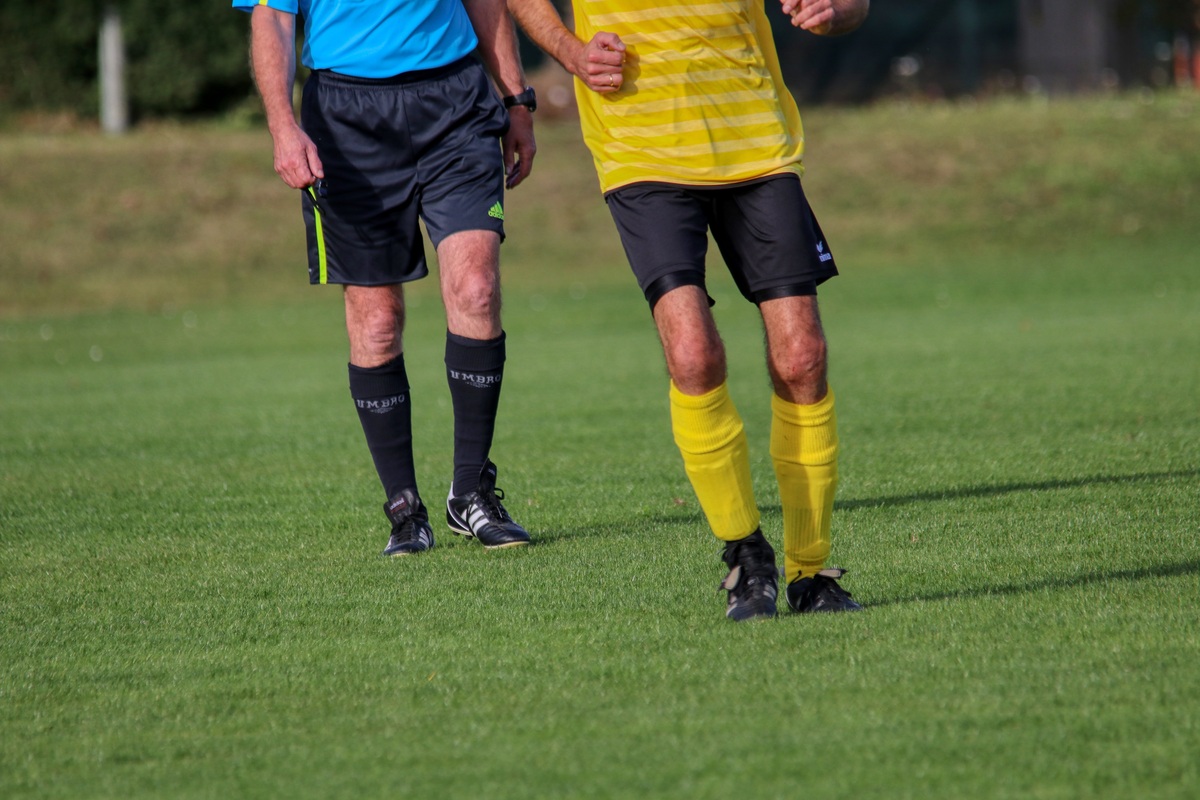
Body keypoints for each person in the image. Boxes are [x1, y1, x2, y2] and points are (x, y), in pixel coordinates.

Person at [506, 0, 869, 619]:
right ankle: (746, 557)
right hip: (641, 146)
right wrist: (569, 51)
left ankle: (811, 573)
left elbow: (850, 5)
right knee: (693, 355)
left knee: (803, 357)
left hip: (755, 139)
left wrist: (839, 9)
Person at [234, 0, 540, 555]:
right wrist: (281, 125)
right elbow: (272, 17)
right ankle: (404, 509)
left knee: (477, 289)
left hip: (455, 103)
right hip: (347, 120)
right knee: (377, 324)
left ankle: (471, 492)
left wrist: (517, 99)